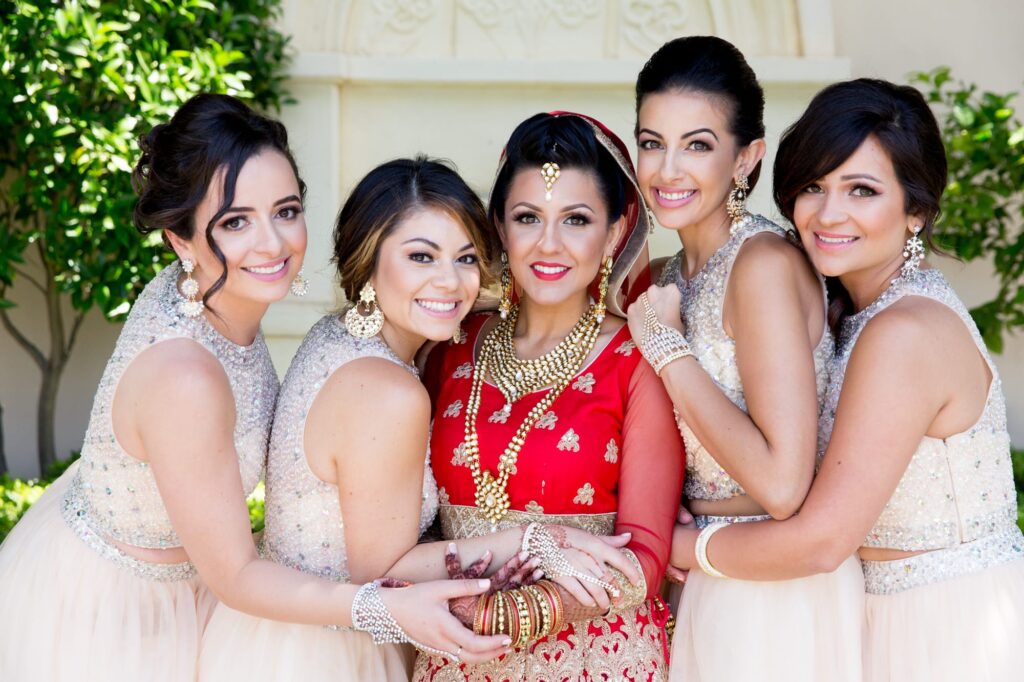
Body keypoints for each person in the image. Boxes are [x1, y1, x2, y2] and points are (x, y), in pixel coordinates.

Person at [0, 95, 506, 682]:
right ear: (181, 241)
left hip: (199, 584)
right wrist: (383, 609)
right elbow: (237, 575)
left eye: (285, 211)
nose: (272, 243)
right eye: (236, 222)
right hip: (117, 611)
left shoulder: (218, 296)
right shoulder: (184, 377)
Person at [665, 78, 1024, 682]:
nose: (829, 214)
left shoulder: (904, 332)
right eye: (813, 187)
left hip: (945, 630)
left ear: (917, 210)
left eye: (862, 190)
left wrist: (671, 547)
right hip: (877, 616)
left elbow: (821, 541)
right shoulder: (857, 312)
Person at [199, 155, 527, 680]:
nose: (451, 282)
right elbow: (383, 578)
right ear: (370, 263)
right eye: (421, 257)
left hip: (269, 637)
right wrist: (536, 541)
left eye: (466, 259)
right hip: (331, 654)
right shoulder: (389, 393)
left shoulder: (342, 332)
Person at [414, 111, 685, 682]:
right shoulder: (450, 346)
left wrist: (520, 609)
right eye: (528, 218)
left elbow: (646, 555)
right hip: (457, 650)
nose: (549, 244)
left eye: (577, 220)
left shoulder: (637, 360)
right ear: (499, 227)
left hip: (593, 655)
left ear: (614, 231)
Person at [626, 36, 863, 682]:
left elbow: (784, 485)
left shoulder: (760, 264)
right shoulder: (672, 272)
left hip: (772, 596)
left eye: (697, 145)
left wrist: (668, 350)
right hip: (704, 578)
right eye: (652, 142)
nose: (667, 170)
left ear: (746, 157)